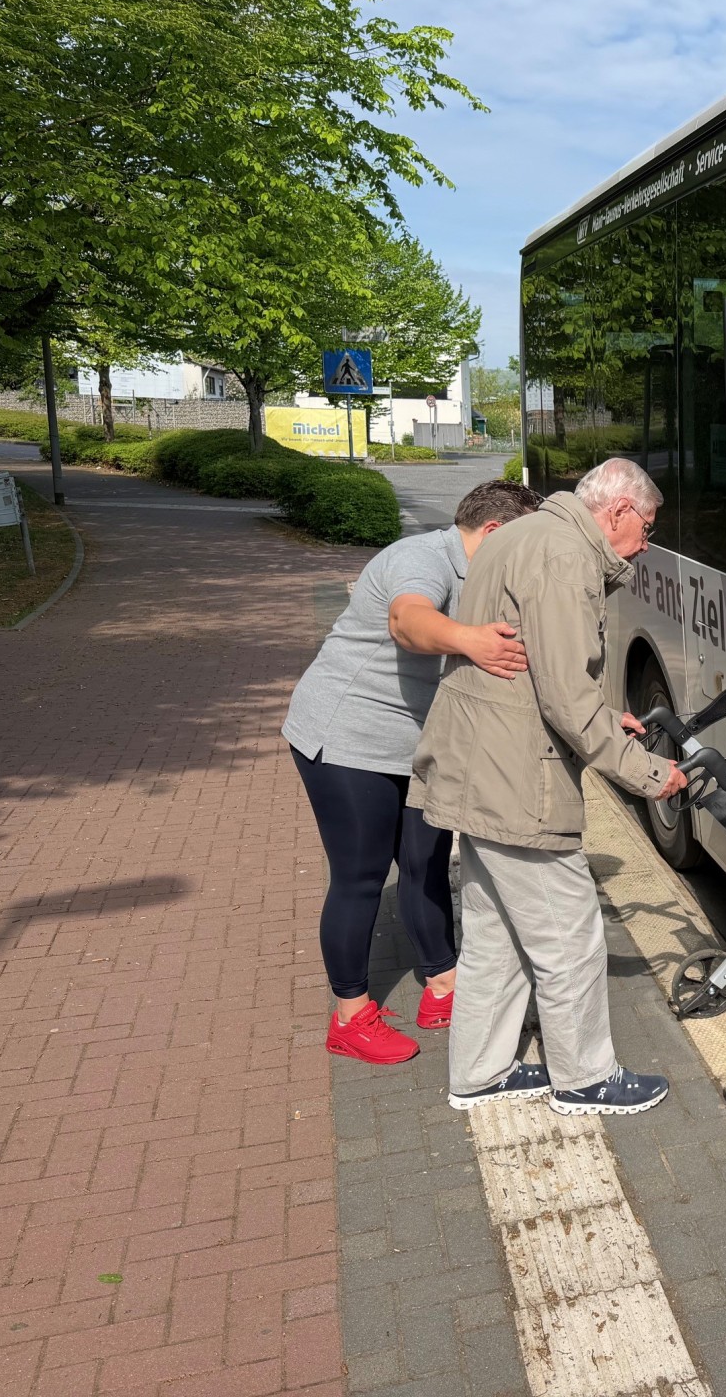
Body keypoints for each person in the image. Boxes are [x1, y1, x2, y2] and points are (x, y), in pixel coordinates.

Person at [411, 457, 688, 1116]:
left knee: (495, 935)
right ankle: (586, 1078)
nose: (645, 544)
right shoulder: (565, 557)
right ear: (617, 512)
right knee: (567, 932)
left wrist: (601, 709)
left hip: (479, 765)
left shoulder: (518, 534)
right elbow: (565, 697)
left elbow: (540, 666)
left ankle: (478, 1072)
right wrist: (651, 773)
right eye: (646, 528)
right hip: (518, 779)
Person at [284, 480, 544, 1065]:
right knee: (361, 875)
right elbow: (408, 621)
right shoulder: (420, 559)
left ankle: (443, 987)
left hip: (418, 744)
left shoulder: (491, 575)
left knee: (426, 861)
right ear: (496, 533)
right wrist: (469, 640)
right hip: (347, 737)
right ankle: (350, 1016)